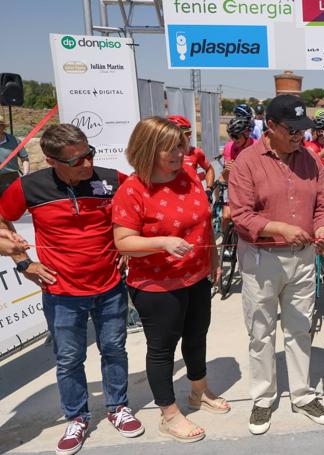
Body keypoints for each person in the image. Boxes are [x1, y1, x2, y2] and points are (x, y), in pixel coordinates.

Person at [0, 124, 144, 455]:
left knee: (114, 349)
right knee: (68, 359)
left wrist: (127, 246)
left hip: (110, 286)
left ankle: (117, 407)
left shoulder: (110, 178)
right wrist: (24, 263)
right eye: (77, 160)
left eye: (89, 154)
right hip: (61, 292)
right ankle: (77, 417)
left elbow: (139, 205)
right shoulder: (29, 187)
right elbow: (2, 220)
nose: (87, 164)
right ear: (52, 161)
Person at [112, 117, 227, 444]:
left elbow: (204, 223)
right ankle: (169, 415)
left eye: (181, 145)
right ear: (148, 149)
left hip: (195, 277)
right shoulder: (132, 191)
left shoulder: (189, 175)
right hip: (157, 286)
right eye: (170, 148)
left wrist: (213, 257)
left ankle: (199, 391)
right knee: (162, 350)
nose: (180, 153)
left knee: (196, 336)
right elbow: (124, 242)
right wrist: (161, 242)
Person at [228, 95, 324, 435]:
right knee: (261, 331)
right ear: (270, 127)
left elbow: (323, 205)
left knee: (300, 328)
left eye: (302, 130)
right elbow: (242, 215)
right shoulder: (247, 162)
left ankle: (302, 395)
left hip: (303, 259)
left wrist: (321, 228)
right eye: (292, 130)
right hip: (262, 259)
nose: (299, 137)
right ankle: (262, 399)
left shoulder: (310, 160)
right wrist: (280, 228)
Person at [221, 116, 257, 229]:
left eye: (236, 136)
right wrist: (227, 169)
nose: (233, 139)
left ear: (246, 134)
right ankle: (224, 242)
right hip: (234, 183)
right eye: (231, 136)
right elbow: (226, 177)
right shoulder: (229, 147)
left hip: (253, 184)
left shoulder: (257, 146)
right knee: (226, 216)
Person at [167, 115, 215, 188]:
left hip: (192, 194)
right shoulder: (160, 154)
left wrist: (209, 188)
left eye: (190, 133)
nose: (190, 136)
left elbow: (209, 169)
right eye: (186, 134)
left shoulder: (196, 152)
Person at [0, 114, 30, 194]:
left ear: (3, 127)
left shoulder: (14, 140)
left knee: (12, 203)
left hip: (11, 178)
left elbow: (24, 158)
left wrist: (26, 174)